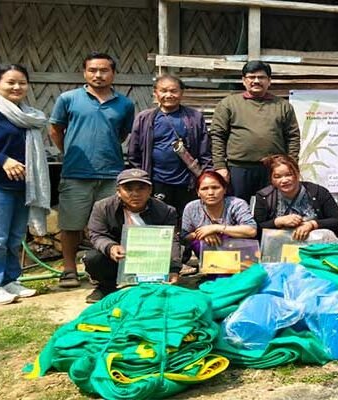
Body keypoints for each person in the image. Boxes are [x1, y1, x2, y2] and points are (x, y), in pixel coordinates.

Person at [49, 52, 135, 289]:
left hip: (111, 174)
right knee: (71, 224)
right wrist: (69, 151)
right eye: (93, 70)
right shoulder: (68, 99)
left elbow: (122, 135)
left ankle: (108, 271)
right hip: (76, 172)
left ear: (113, 73)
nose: (98, 75)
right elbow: (55, 129)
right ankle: (69, 270)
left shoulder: (125, 104)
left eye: (104, 70)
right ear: (84, 72)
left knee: (111, 224)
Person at [0, 64, 48, 305]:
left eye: (22, 82)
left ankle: (10, 280)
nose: (17, 87)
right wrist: (2, 159)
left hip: (23, 185)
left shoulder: (28, 114)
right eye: (10, 82)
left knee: (14, 238)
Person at [84, 169, 181, 303]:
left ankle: (155, 282)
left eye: (141, 188)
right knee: (93, 258)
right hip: (119, 258)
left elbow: (172, 241)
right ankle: (106, 287)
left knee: (183, 251)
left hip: (151, 257)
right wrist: (111, 247)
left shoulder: (166, 211)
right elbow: (97, 234)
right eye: (128, 189)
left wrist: (174, 269)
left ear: (150, 190)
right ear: (118, 191)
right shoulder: (102, 207)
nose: (135, 194)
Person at [210, 61, 300, 203]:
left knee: (271, 207)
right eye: (251, 77)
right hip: (239, 168)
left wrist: (291, 165)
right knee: (238, 207)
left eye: (261, 77)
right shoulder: (229, 104)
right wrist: (220, 166)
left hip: (273, 169)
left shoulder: (283, 106)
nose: (256, 81)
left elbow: (293, 137)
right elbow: (217, 136)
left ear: (269, 81)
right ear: (244, 80)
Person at [127, 74, 212, 220]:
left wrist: (206, 174)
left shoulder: (194, 117)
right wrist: (142, 177)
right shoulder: (145, 118)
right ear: (155, 93)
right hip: (157, 180)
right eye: (164, 91)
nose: (169, 95)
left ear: (181, 92)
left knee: (187, 219)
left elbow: (204, 148)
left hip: (187, 181)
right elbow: (134, 152)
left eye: (173, 91)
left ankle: (183, 243)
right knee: (158, 218)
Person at [254, 154, 338, 241]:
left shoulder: (317, 192)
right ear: (271, 179)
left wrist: (312, 224)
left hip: (316, 245)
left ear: (297, 174)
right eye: (277, 177)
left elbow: (337, 221)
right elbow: (257, 228)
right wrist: (278, 221)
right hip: (281, 245)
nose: (284, 180)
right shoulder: (264, 196)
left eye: (289, 174)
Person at [181, 171, 257, 257]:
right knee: (198, 242)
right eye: (204, 189)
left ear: (224, 189)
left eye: (215, 187)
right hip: (207, 258)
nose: (210, 193)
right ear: (198, 192)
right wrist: (203, 234)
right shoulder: (192, 207)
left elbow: (251, 231)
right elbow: (184, 236)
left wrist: (216, 228)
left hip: (238, 255)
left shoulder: (237, 204)